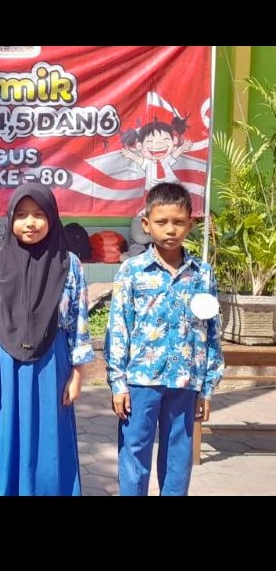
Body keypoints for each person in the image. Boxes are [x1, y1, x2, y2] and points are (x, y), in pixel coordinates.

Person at [0, 182, 95, 496]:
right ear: (10, 218)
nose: (30, 222)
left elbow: (78, 321)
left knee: (49, 443)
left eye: (39, 214)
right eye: (22, 215)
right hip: (4, 368)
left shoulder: (69, 264)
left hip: (52, 365)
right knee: (4, 441)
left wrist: (77, 375)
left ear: (52, 217)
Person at [105, 181, 224, 496]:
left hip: (185, 381)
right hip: (140, 381)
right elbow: (118, 328)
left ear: (190, 225)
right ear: (146, 224)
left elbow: (212, 331)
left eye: (178, 222)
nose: (170, 229)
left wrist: (207, 387)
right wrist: (118, 383)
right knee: (134, 452)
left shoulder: (202, 274)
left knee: (178, 457)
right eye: (161, 222)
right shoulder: (132, 272)